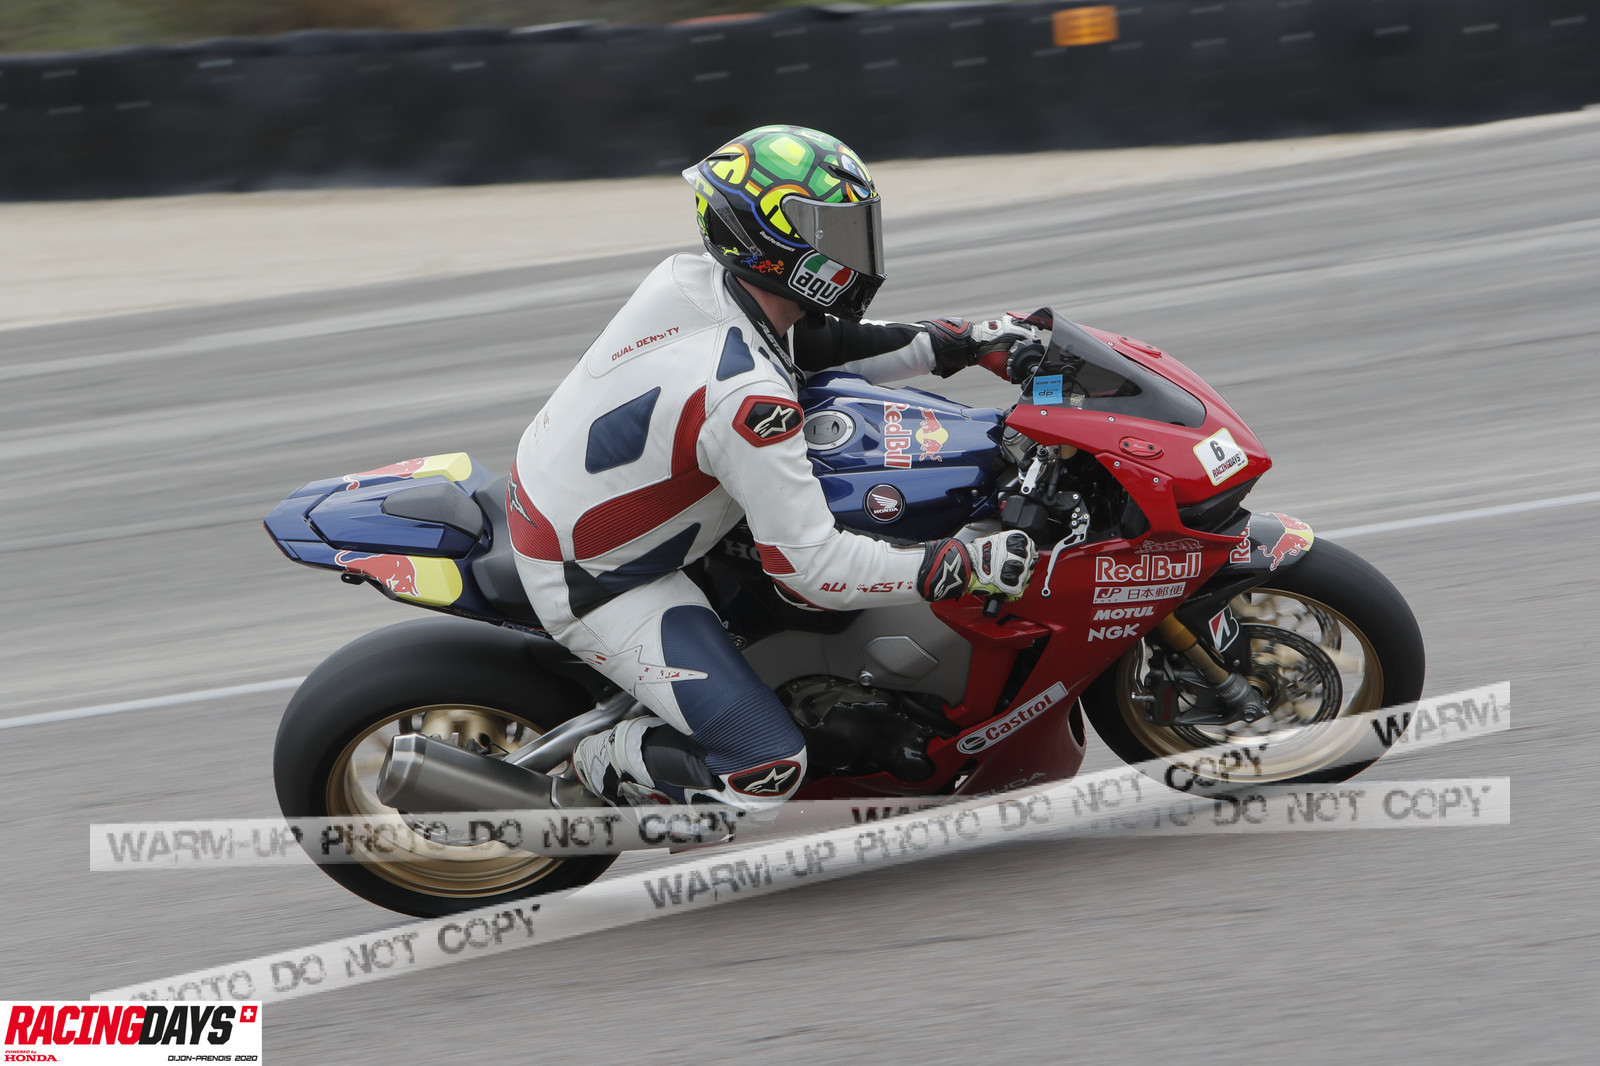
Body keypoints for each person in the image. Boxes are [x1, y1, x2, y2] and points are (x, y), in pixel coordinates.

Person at [508, 124, 1040, 811]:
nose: (854, 251)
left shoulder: (694, 281)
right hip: (601, 574)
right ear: (767, 240)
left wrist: (957, 343)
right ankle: (594, 768)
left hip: (575, 491)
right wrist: (954, 566)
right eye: (831, 232)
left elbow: (815, 344)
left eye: (855, 229)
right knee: (766, 766)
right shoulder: (746, 398)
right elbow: (812, 571)